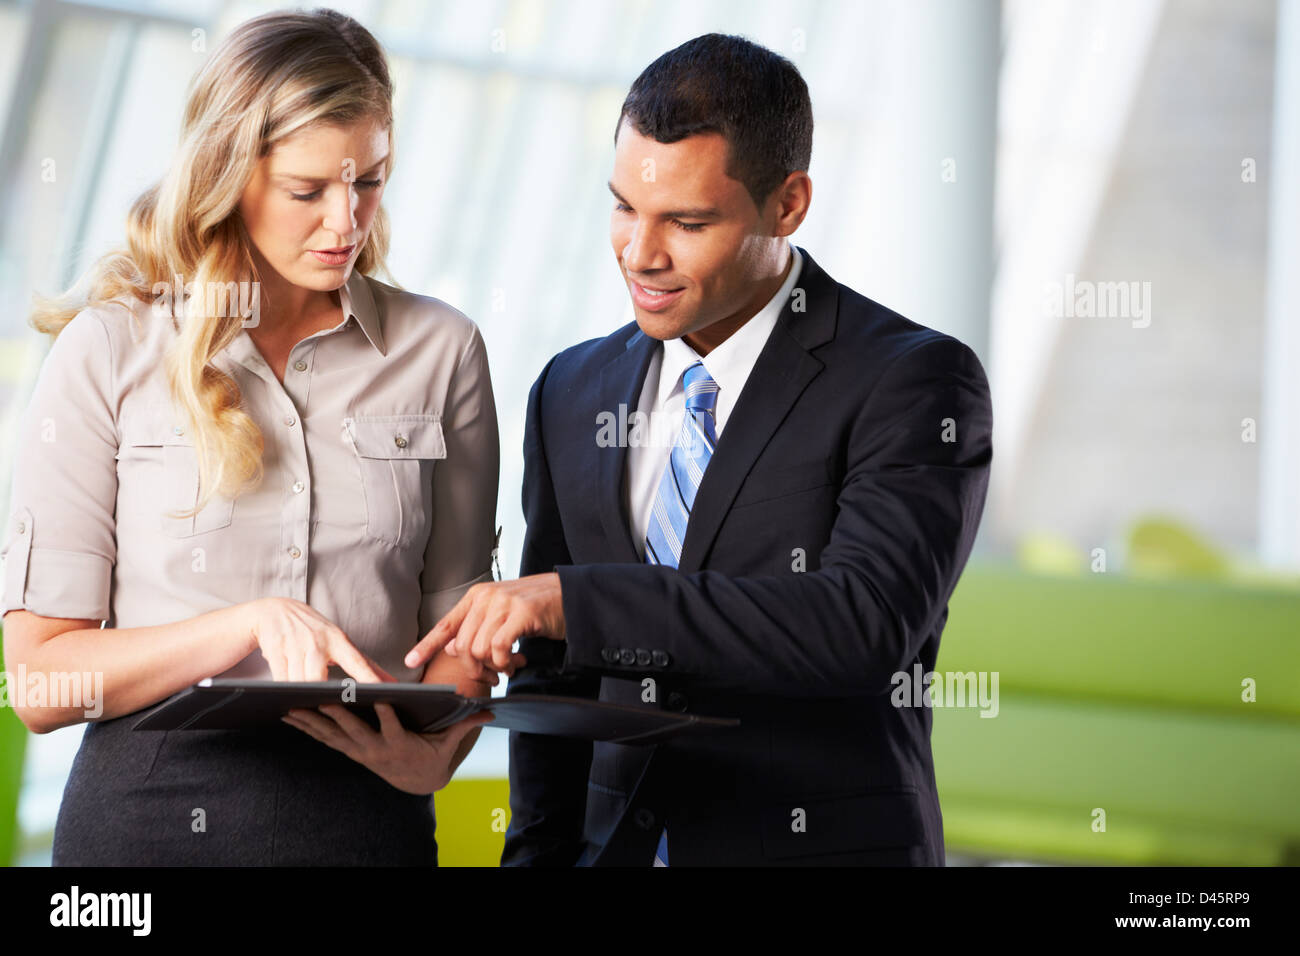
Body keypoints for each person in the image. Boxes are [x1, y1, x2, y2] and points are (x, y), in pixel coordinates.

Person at [407, 33, 994, 867]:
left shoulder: (913, 380)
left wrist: (580, 603)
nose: (640, 255)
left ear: (787, 205)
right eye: (623, 207)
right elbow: (552, 679)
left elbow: (862, 624)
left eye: (686, 221)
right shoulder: (571, 390)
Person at [0, 9, 498, 866]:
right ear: (229, 173)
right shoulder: (110, 348)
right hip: (145, 831)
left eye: (369, 182)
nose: (345, 222)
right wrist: (250, 625)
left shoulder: (441, 352)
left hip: (366, 829)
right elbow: (42, 682)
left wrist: (437, 754)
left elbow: (457, 630)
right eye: (308, 191)